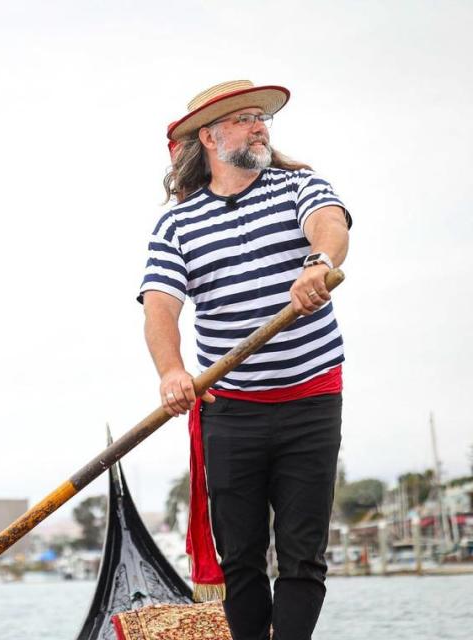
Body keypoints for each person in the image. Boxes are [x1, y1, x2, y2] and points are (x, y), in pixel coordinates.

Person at [138, 80, 351, 640]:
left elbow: (329, 222)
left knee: (304, 554)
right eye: (245, 119)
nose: (260, 126)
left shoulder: (298, 187)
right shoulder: (177, 225)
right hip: (231, 410)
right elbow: (160, 308)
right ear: (208, 137)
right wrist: (173, 372)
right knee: (241, 561)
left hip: (312, 397)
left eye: (262, 118)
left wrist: (318, 261)